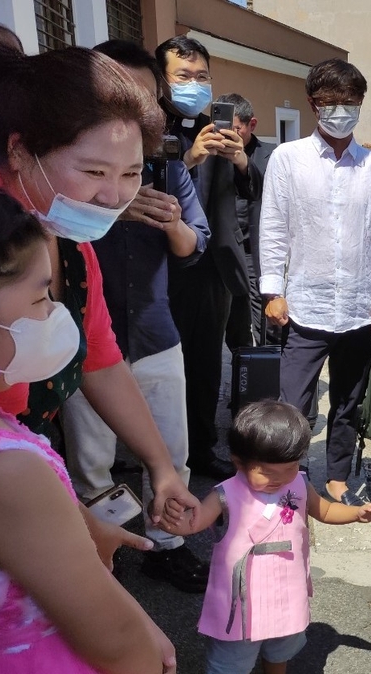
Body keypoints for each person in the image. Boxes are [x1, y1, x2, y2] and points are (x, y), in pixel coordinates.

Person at [0, 40, 200, 563]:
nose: (115, 196)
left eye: (132, 173)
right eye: (94, 172)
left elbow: (100, 356)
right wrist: (62, 517)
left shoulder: (67, 238)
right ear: (20, 151)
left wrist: (161, 467)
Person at [0, 178, 176, 674]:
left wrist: (79, 527)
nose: (55, 315)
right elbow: (119, 645)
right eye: (40, 300)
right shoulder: (4, 475)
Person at [57, 38, 212, 593]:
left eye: (144, 96)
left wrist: (170, 222)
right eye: (116, 93)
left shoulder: (168, 171)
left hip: (154, 335)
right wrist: (113, 213)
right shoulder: (66, 168)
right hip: (80, 342)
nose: (132, 110)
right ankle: (103, 550)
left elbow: (196, 246)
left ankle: (167, 545)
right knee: (91, 460)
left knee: (171, 453)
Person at [159, 399, 371, 674]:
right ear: (239, 463)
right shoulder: (225, 494)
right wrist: (171, 521)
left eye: (290, 467)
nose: (280, 479)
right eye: (267, 472)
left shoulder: (300, 483)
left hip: (286, 591)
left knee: (281, 649)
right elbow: (193, 523)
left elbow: (325, 510)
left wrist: (356, 513)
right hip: (242, 599)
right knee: (231, 663)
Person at [259, 58, 371, 506]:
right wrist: (273, 290)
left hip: (359, 308)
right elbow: (274, 228)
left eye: (350, 102)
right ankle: (291, 474)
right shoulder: (288, 159)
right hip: (305, 307)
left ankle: (337, 476)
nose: (341, 111)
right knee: (293, 403)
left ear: (360, 104)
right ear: (313, 105)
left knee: (348, 400)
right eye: (331, 103)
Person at [155, 35, 259, 480]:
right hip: (159, 271)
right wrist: (190, 160)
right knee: (158, 367)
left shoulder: (215, 130)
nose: (194, 84)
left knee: (204, 367)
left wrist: (239, 162)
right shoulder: (149, 131)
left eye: (202, 77)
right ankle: (153, 452)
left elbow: (252, 192)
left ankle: (200, 448)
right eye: (183, 75)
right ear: (163, 79)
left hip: (210, 272)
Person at [217, 92, 276, 348]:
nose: (227, 136)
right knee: (235, 326)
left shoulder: (272, 156)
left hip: (256, 254)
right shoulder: (210, 154)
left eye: (236, 129)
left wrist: (242, 161)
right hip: (224, 250)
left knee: (266, 324)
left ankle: (271, 374)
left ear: (252, 125)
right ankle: (242, 375)